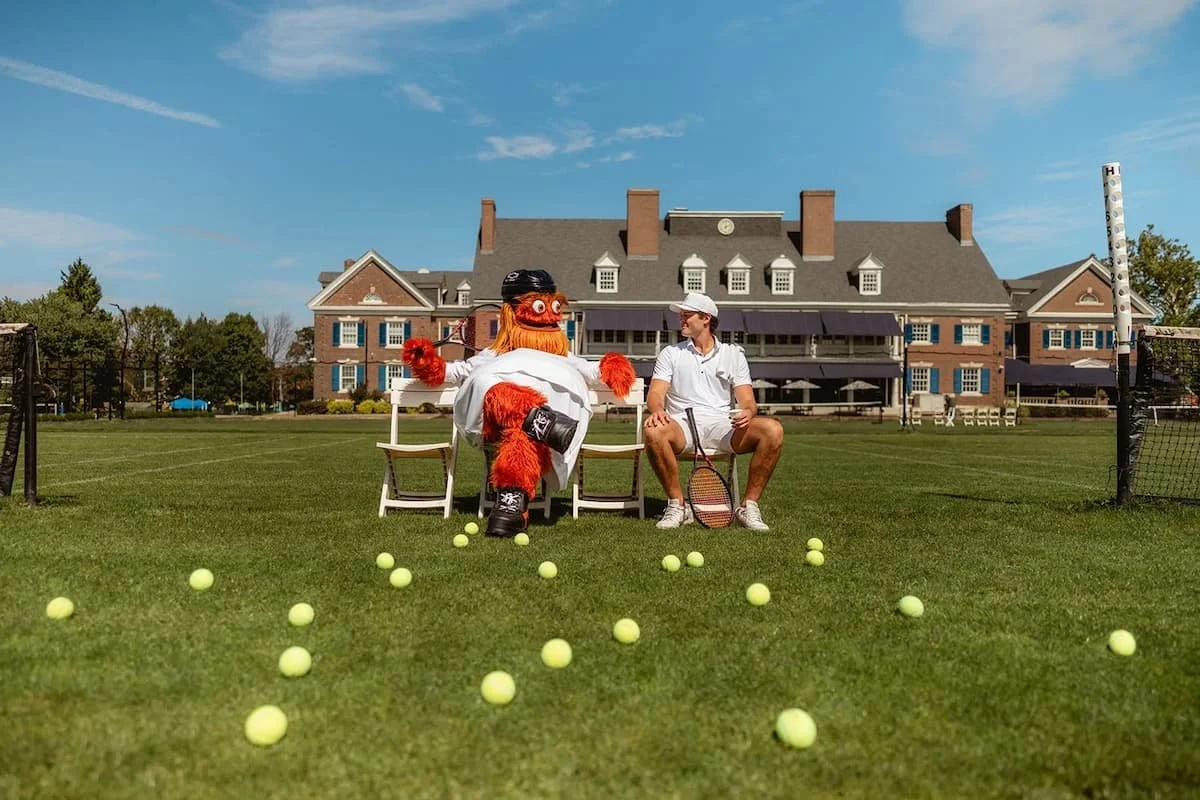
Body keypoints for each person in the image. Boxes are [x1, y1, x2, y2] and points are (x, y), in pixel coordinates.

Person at [643, 292, 784, 530]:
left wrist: (748, 413)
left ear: (706, 318)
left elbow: (748, 401)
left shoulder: (733, 354)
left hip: (723, 426)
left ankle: (748, 507)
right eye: (681, 315)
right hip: (682, 426)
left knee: (773, 430)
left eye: (687, 315)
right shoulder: (671, 353)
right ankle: (678, 505)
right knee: (653, 431)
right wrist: (657, 410)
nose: (681, 319)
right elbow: (655, 394)